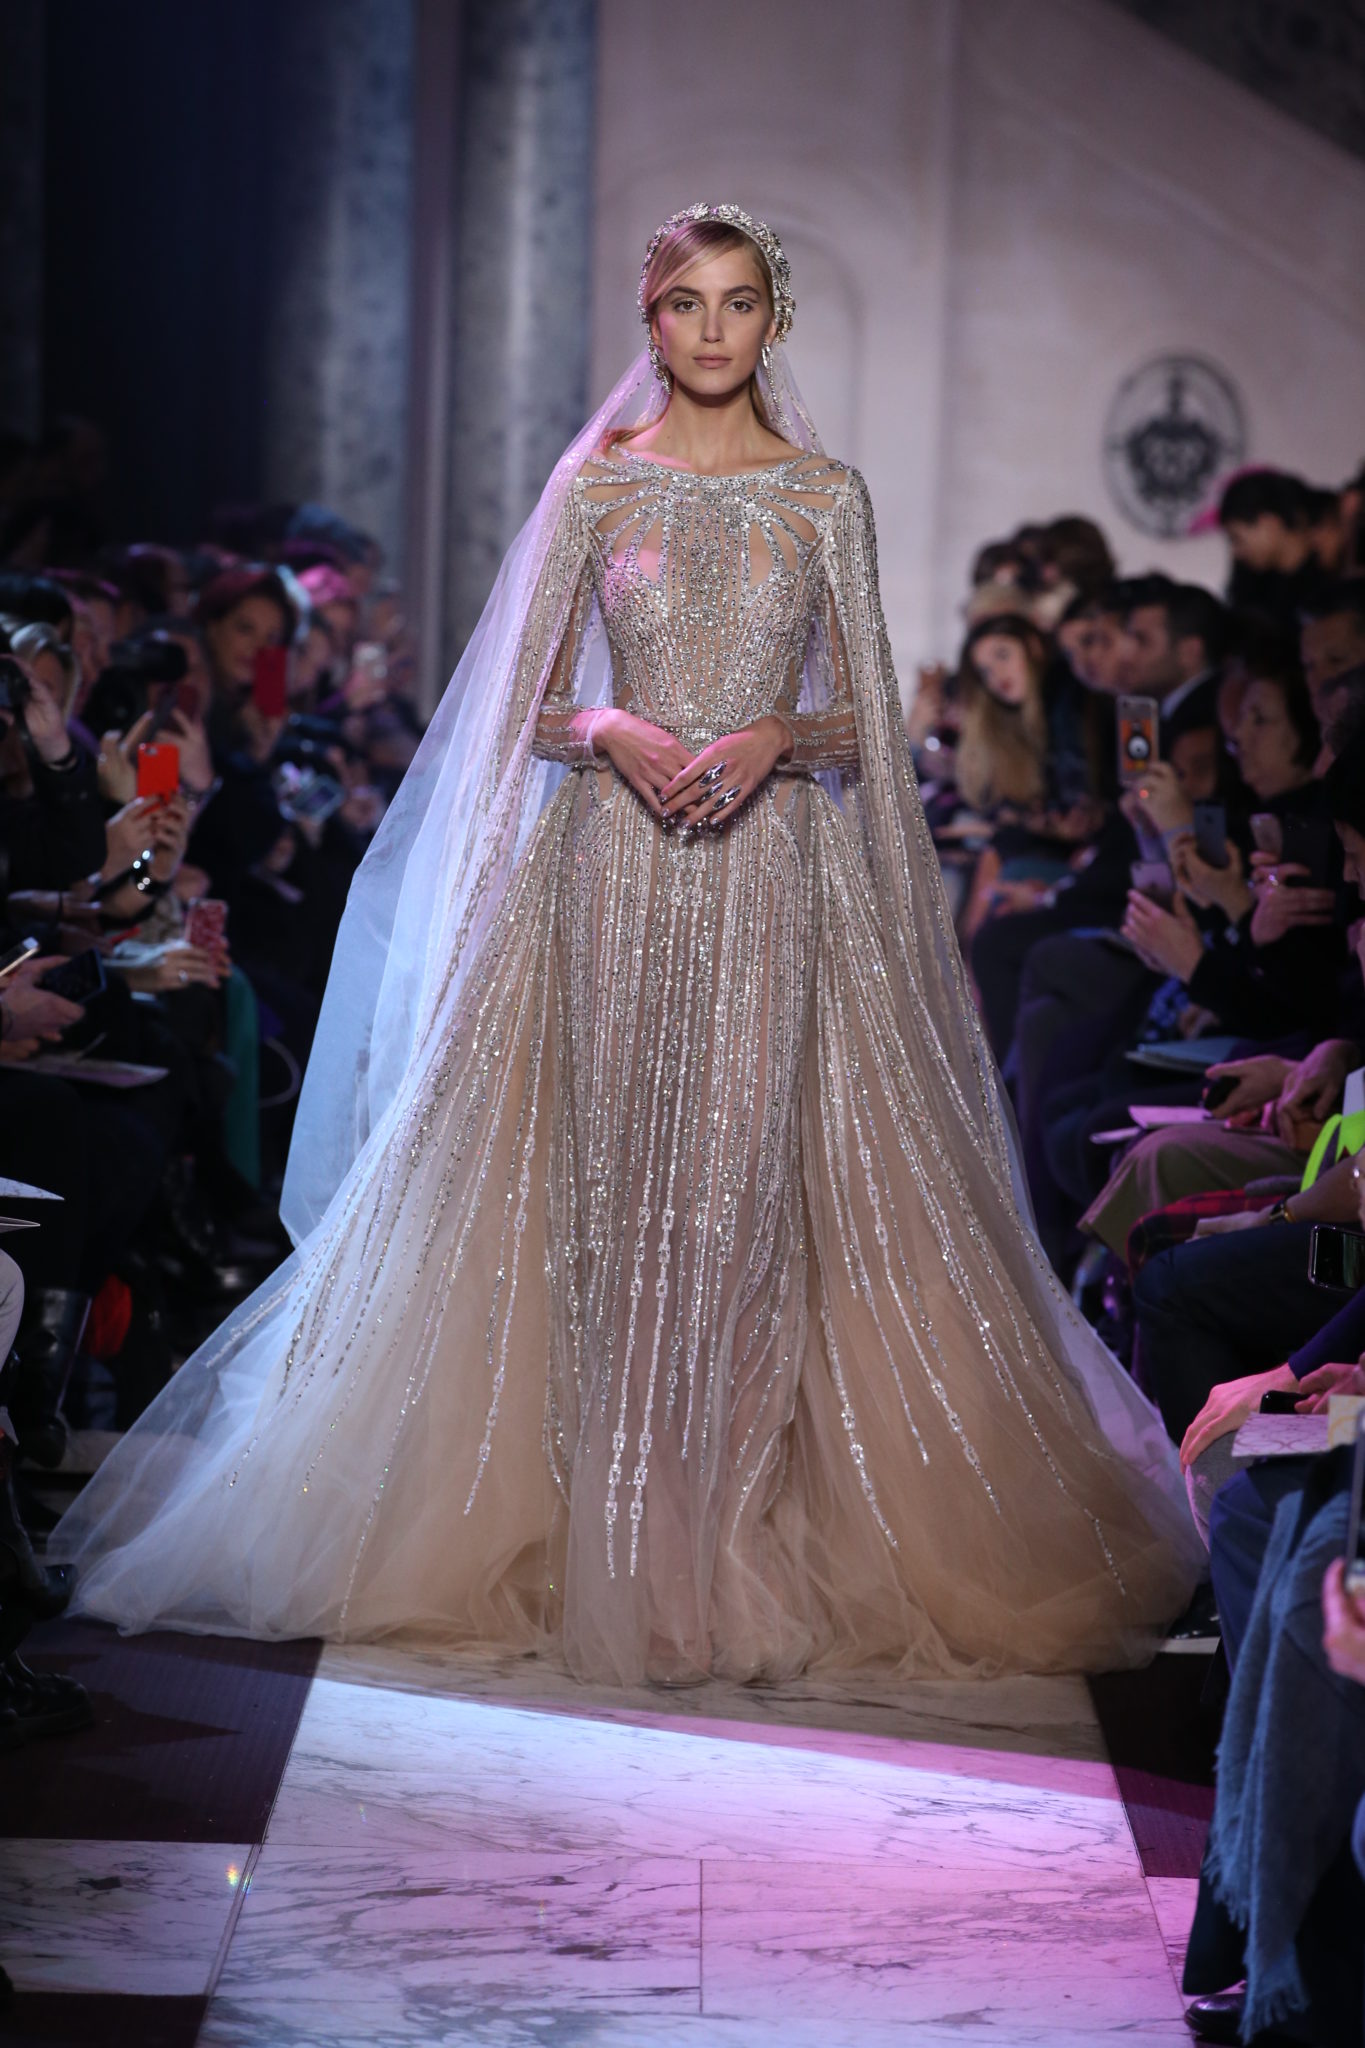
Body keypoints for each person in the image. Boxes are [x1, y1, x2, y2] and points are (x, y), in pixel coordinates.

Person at [52, 204, 1199, 1687]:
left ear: (773, 319)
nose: (713, 330)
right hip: (606, 872)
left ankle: (715, 1534)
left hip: (773, 877)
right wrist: (606, 719)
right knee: (599, 1190)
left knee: (739, 1194)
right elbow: (511, 709)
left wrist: (780, 731)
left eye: (739, 302)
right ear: (648, 321)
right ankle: (603, 1526)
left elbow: (868, 721)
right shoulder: (596, 487)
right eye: (686, 304)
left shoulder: (825, 497)